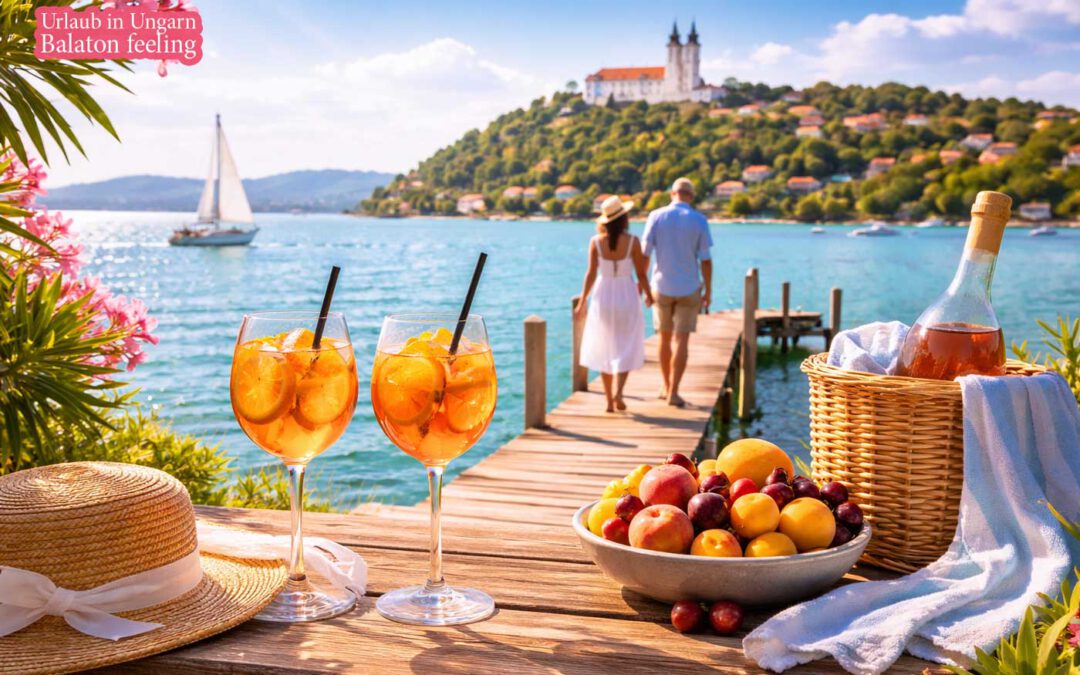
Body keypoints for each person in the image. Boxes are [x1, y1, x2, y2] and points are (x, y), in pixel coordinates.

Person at [575, 196, 653, 413]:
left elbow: (591, 274)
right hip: (627, 294)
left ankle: (609, 401)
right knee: (626, 344)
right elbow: (641, 274)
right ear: (624, 219)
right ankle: (619, 393)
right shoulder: (633, 242)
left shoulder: (595, 242)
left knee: (605, 347)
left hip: (603, 296)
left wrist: (582, 300)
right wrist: (649, 295)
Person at [642, 177, 713, 407]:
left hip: (661, 286)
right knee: (682, 340)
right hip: (689, 287)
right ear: (691, 196)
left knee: (664, 338)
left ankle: (665, 386)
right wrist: (708, 290)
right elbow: (705, 259)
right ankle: (673, 391)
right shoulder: (699, 220)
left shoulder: (656, 216)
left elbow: (645, 254)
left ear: (672, 194)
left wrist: (643, 286)